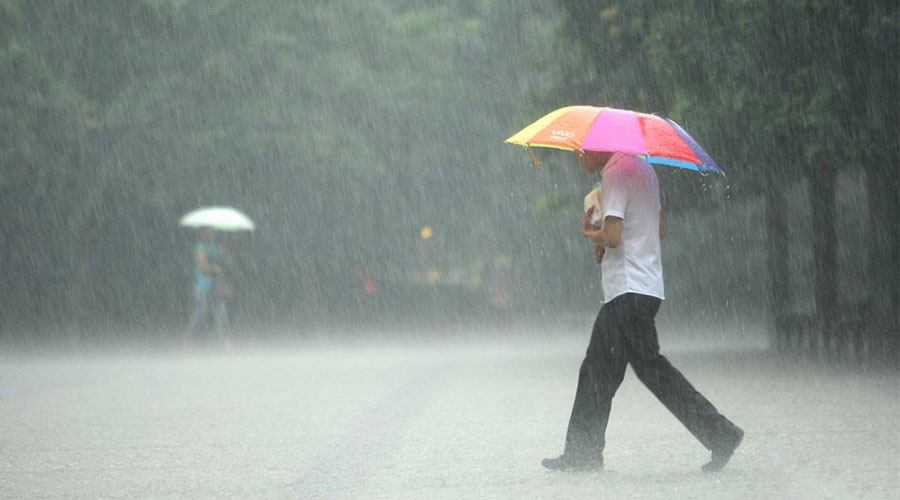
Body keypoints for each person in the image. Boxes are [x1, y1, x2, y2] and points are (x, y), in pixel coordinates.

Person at [541, 150, 743, 473]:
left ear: (598, 147)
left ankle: (720, 433)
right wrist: (605, 242)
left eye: (582, 151)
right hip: (645, 287)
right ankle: (583, 452)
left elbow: (613, 236)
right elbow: (657, 228)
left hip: (627, 290)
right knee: (600, 371)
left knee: (641, 371)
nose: (580, 157)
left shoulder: (615, 173)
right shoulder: (645, 171)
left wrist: (591, 234)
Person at [184, 227, 231, 349]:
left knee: (221, 311)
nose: (212, 233)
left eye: (213, 231)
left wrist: (224, 249)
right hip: (203, 286)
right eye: (208, 231)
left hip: (215, 287)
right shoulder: (200, 247)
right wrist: (214, 268)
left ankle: (225, 341)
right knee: (201, 312)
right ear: (203, 233)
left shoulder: (215, 246)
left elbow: (222, 257)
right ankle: (187, 339)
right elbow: (202, 265)